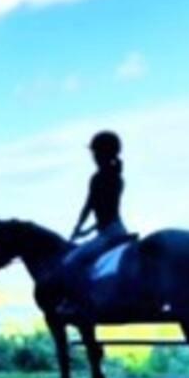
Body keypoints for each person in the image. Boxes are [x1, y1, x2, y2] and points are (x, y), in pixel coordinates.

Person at [58, 131, 129, 316]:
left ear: (101, 153)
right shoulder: (117, 178)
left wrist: (77, 229)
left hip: (108, 233)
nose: (93, 157)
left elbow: (89, 206)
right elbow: (108, 211)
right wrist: (87, 230)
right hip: (118, 229)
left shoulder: (98, 178)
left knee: (71, 261)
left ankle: (77, 303)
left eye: (95, 153)